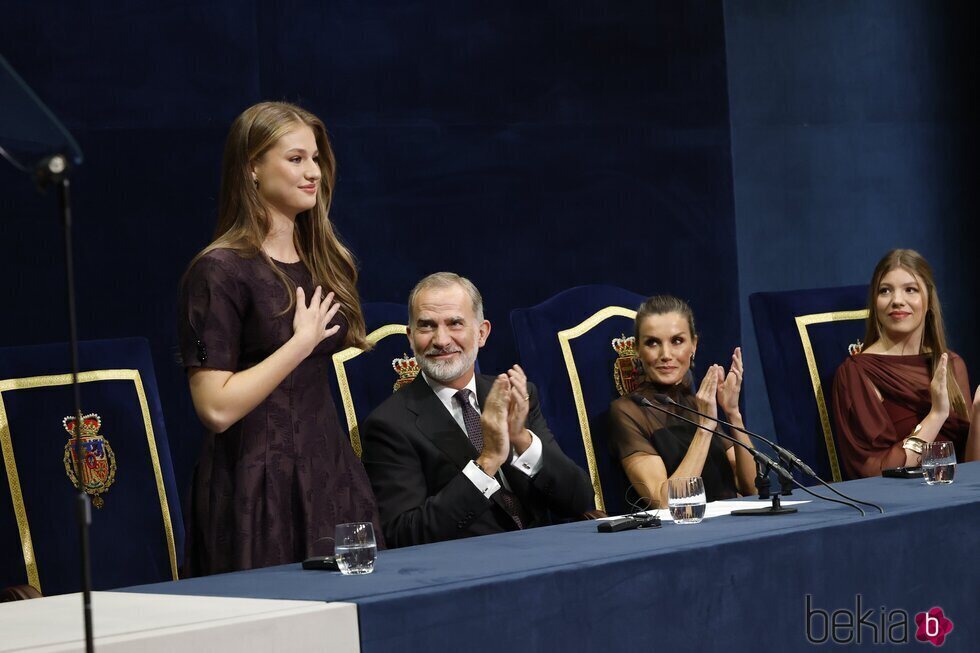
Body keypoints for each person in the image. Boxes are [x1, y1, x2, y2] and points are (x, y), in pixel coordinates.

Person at [177, 101, 382, 575]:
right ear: (252, 167)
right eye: (295, 159)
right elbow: (215, 408)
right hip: (256, 487)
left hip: (328, 475)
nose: (313, 172)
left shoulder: (321, 261)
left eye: (315, 159)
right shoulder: (220, 270)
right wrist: (298, 345)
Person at [360, 272, 595, 548]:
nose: (441, 340)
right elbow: (404, 535)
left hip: (546, 551)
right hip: (467, 564)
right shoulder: (389, 424)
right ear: (410, 338)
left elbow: (580, 501)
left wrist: (522, 439)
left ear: (482, 333)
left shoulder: (515, 395)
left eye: (455, 323)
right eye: (427, 326)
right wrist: (487, 462)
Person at [832, 249, 980, 478]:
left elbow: (971, 469)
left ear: (928, 300)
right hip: (899, 498)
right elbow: (874, 473)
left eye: (910, 289)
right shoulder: (857, 372)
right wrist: (936, 415)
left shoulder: (952, 364)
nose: (897, 301)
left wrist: (978, 415)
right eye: (885, 290)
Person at [607, 295, 757, 508]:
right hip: (683, 528)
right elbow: (664, 503)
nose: (666, 354)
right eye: (652, 343)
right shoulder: (627, 411)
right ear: (638, 349)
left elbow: (752, 488)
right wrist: (704, 428)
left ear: (694, 345)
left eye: (677, 341)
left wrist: (733, 413)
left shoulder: (697, 404)